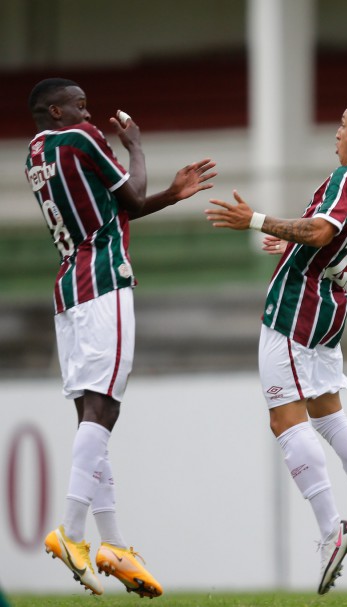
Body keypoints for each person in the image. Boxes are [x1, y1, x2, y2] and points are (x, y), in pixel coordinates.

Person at [205, 95, 347, 595]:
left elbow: (318, 231)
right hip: (331, 301)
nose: (337, 132)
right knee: (328, 413)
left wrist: (255, 220)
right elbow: (331, 238)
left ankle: (331, 529)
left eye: (343, 125)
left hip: (297, 303)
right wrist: (290, 243)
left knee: (284, 418)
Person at [25, 78, 217, 597]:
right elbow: (129, 195)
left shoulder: (35, 153)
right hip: (104, 278)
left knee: (92, 416)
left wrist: (171, 195)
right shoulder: (82, 137)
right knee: (105, 408)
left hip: (69, 286)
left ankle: (113, 544)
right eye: (80, 105)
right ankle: (72, 532)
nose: (90, 114)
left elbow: (116, 208)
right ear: (56, 110)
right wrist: (136, 147)